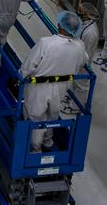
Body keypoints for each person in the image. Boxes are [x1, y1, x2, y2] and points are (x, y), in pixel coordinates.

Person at [20, 11, 87, 151]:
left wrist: (22, 76)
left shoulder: (46, 43)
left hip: (39, 86)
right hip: (62, 86)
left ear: (60, 25)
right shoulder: (80, 46)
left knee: (36, 116)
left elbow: (29, 67)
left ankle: (35, 148)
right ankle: (48, 142)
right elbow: (81, 63)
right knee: (52, 115)